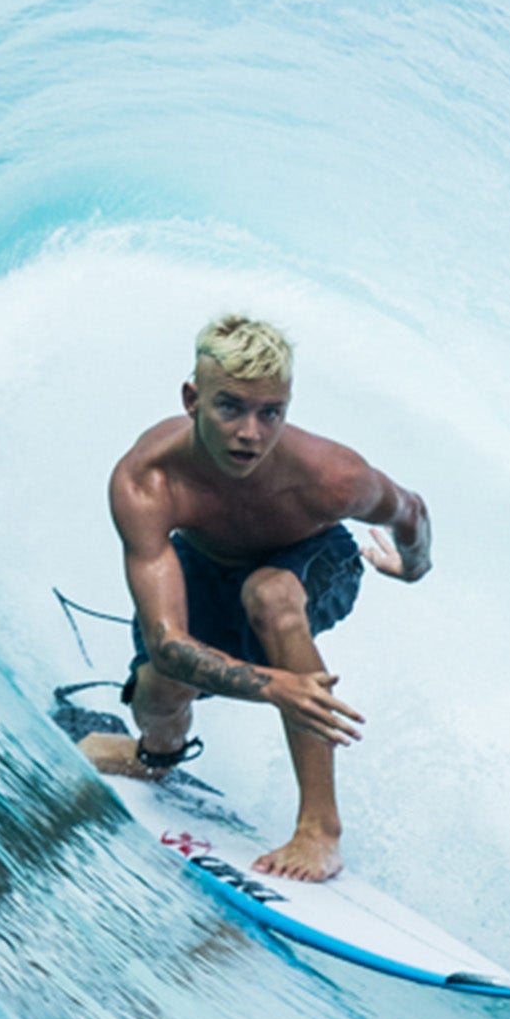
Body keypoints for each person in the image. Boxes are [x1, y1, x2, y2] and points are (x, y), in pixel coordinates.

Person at [72, 313, 432, 881]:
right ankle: (154, 757)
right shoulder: (148, 482)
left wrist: (413, 567)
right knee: (160, 687)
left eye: (271, 413)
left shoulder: (332, 476)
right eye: (230, 407)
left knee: (270, 594)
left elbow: (410, 510)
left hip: (313, 563)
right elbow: (168, 643)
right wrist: (273, 687)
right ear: (193, 399)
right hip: (206, 567)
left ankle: (320, 828)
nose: (251, 433)